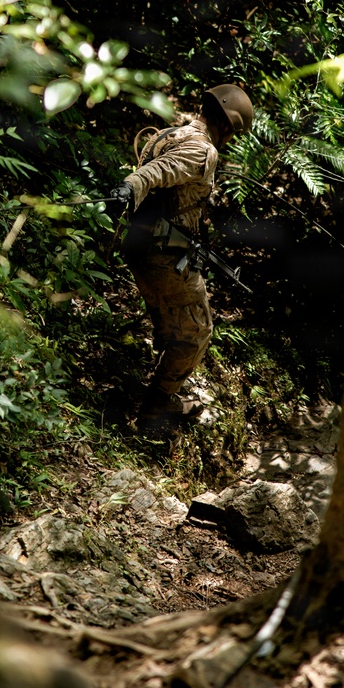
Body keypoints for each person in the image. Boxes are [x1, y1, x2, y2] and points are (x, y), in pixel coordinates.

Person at [107, 83, 254, 436]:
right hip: (164, 253)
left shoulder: (169, 133)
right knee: (198, 332)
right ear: (228, 126)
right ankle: (157, 407)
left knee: (171, 319)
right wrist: (130, 186)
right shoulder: (203, 151)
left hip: (137, 247)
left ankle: (150, 379)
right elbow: (157, 173)